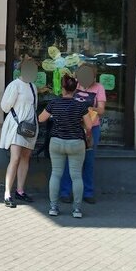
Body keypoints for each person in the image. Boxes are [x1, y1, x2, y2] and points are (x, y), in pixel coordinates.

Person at [38, 74, 93, 219]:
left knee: (56, 174)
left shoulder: (54, 103)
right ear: (75, 90)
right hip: (76, 143)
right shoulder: (81, 105)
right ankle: (77, 210)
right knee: (76, 176)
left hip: (56, 142)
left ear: (62, 88)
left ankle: (53, 207)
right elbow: (89, 126)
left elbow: (41, 119)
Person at [61, 65, 107, 204]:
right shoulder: (75, 85)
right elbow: (65, 99)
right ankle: (65, 192)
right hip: (74, 126)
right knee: (69, 160)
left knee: (88, 161)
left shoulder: (99, 88)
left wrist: (90, 108)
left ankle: (88, 192)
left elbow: (101, 110)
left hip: (91, 128)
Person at [0, 58, 39, 208]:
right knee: (15, 158)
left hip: (30, 127)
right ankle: (7, 193)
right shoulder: (15, 85)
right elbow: (4, 107)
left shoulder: (33, 86)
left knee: (25, 158)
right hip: (17, 125)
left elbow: (34, 107)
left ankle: (20, 191)